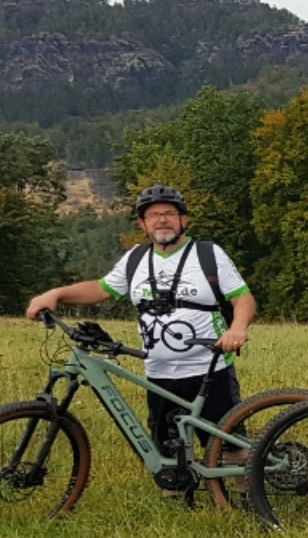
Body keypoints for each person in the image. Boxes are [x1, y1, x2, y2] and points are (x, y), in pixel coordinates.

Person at [24, 184, 256, 462]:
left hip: (209, 368)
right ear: (142, 223)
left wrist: (237, 328)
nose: (162, 219)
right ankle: (178, 496)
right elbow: (101, 290)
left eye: (170, 213)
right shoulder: (136, 258)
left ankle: (246, 498)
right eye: (154, 214)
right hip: (158, 373)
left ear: (184, 220)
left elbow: (243, 298)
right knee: (166, 448)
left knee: (231, 447)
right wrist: (56, 294)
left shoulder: (208, 254)